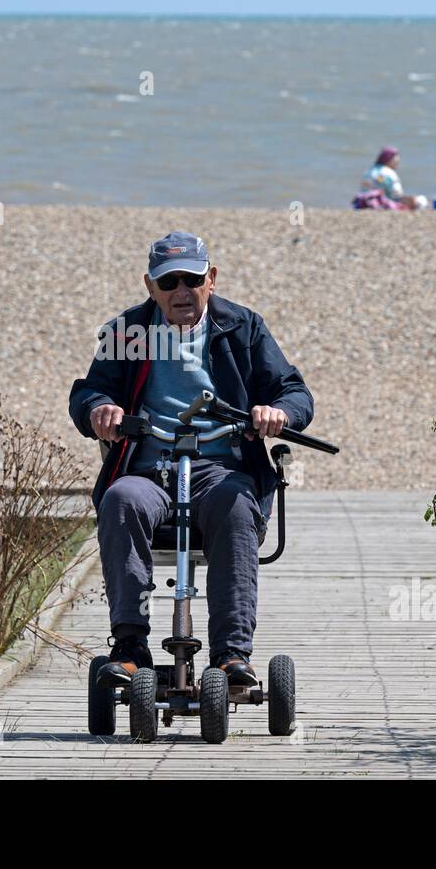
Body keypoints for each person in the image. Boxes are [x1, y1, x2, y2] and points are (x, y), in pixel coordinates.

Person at [69, 231, 315, 689]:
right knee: (121, 499)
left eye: (192, 279)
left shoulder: (243, 327)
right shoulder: (126, 333)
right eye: (169, 282)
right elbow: (88, 390)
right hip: (150, 469)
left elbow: (294, 391)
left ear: (212, 278)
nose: (181, 291)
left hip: (222, 467)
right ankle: (129, 646)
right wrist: (98, 409)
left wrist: (277, 412)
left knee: (236, 504)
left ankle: (231, 655)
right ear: (150, 286)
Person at [358, 146, 428, 210]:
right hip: (384, 203)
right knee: (421, 200)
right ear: (390, 160)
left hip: (363, 201)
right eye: (396, 162)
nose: (398, 163)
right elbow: (396, 195)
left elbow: (368, 187)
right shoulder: (389, 173)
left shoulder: (369, 170)